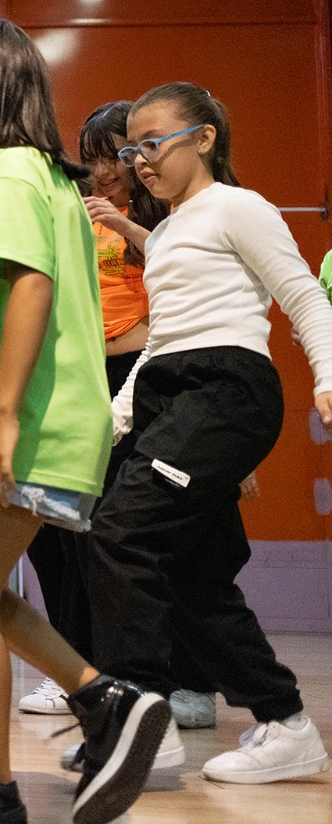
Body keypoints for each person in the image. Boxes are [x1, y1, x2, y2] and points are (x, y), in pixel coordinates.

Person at [0, 19, 169, 824]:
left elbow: (34, 288)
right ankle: (104, 700)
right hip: (57, 421)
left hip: (35, 423)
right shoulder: (48, 175)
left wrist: (3, 420)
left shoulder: (13, 169)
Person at [81, 82, 332, 786]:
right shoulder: (164, 234)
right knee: (189, 573)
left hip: (225, 389)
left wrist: (327, 375)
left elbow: (303, 295)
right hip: (170, 393)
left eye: (151, 144)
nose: (139, 161)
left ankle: (141, 719)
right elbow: (161, 342)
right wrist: (112, 424)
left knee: (118, 532)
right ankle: (285, 723)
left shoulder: (239, 207)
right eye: (132, 151)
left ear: (204, 138)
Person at [18, 101, 169, 716]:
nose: (103, 171)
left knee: (106, 533)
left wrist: (123, 225)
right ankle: (74, 666)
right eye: (94, 158)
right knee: (51, 532)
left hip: (135, 378)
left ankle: (118, 673)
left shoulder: (159, 222)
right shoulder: (77, 216)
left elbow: (172, 310)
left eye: (116, 157)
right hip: (77, 378)